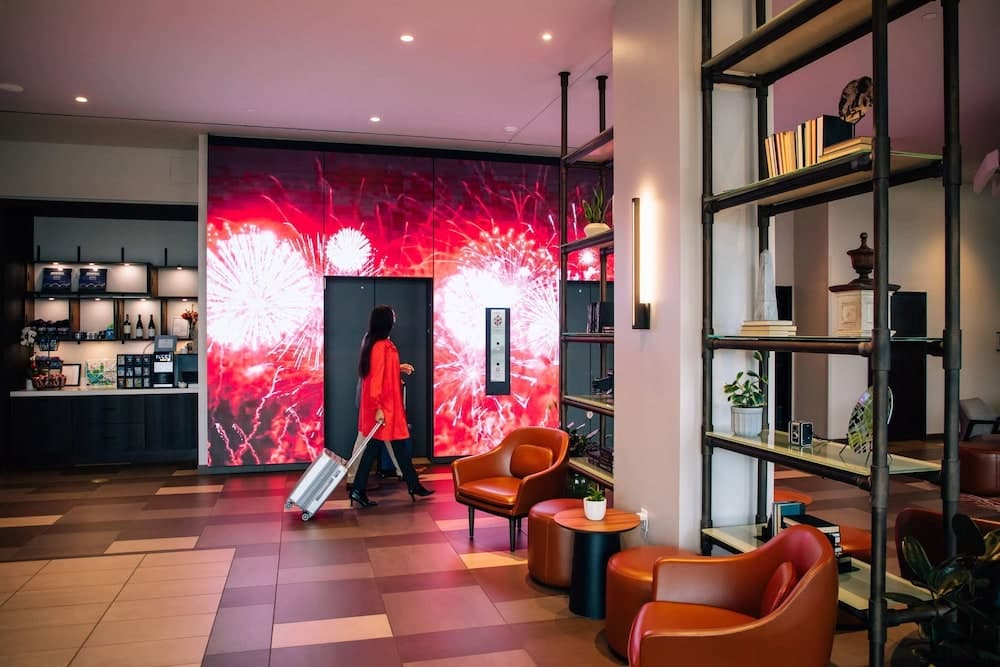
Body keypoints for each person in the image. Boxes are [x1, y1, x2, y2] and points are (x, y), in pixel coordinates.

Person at [348, 305, 434, 508]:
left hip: (386, 405)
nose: (395, 319)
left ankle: (413, 484)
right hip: (384, 407)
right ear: (386, 321)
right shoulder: (381, 346)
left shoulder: (379, 344)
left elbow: (382, 372)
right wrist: (378, 407)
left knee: (396, 446)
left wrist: (399, 368)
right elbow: (376, 379)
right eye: (392, 316)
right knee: (375, 448)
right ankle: (359, 489)